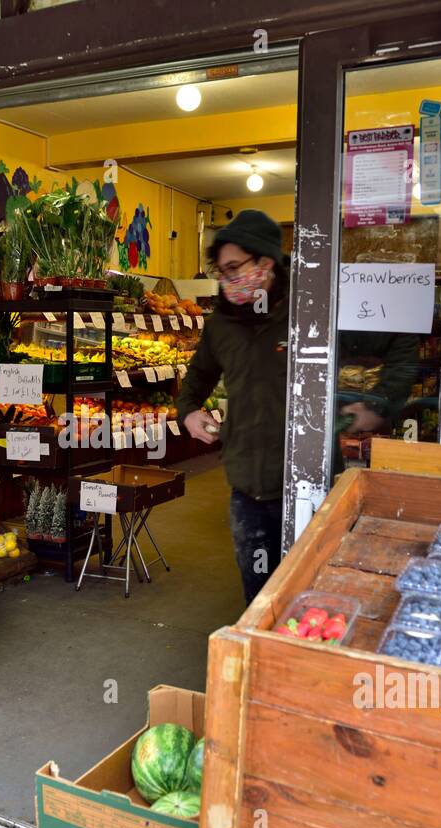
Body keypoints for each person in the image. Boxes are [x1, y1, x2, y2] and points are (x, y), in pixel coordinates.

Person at [176, 210, 291, 604]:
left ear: (265, 261)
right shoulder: (221, 325)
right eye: (221, 273)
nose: (226, 281)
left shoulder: (309, 311)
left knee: (305, 598)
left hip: (306, 486)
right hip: (247, 489)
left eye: (233, 268)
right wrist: (188, 410)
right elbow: (196, 377)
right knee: (258, 593)